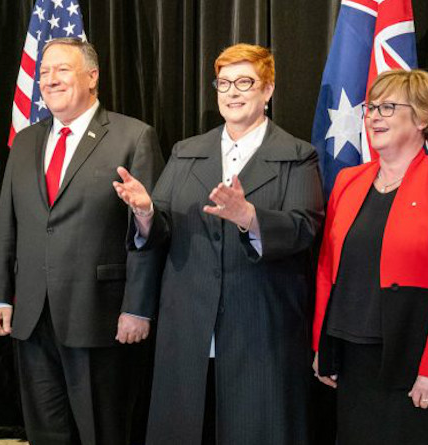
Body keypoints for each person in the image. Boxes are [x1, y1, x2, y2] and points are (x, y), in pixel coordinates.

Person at [114, 43, 324, 444]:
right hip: (188, 326)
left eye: (245, 82)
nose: (232, 92)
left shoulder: (297, 155)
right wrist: (144, 212)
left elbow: (303, 228)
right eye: (223, 83)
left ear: (268, 90)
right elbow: (160, 231)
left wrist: (249, 217)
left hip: (259, 328)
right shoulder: (187, 152)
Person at [0, 37, 164, 445]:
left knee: (102, 432)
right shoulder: (26, 140)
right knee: (45, 432)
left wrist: (138, 307)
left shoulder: (133, 137)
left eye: (62, 70)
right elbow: (7, 223)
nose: (49, 80)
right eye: (44, 72)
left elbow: (151, 233)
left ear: (92, 76)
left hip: (99, 317)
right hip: (31, 317)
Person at [312, 69, 428, 444]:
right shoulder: (348, 182)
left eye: (387, 107)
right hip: (356, 362)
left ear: (423, 118)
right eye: (371, 108)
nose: (374, 116)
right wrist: (322, 347)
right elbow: (328, 269)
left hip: (418, 362)